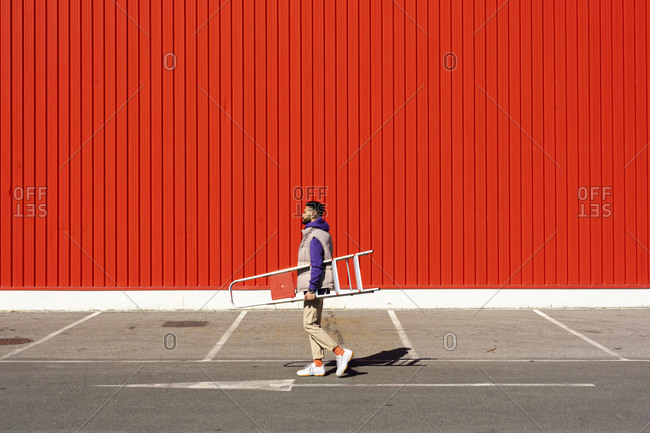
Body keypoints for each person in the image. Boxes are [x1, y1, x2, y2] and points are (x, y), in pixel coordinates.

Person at [296, 201, 353, 377]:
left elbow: (317, 265)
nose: (302, 214)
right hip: (318, 286)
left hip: (314, 286)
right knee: (314, 324)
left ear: (314, 215)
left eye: (305, 212)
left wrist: (312, 288)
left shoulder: (314, 237)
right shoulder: (322, 234)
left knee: (309, 324)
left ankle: (340, 353)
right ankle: (318, 364)